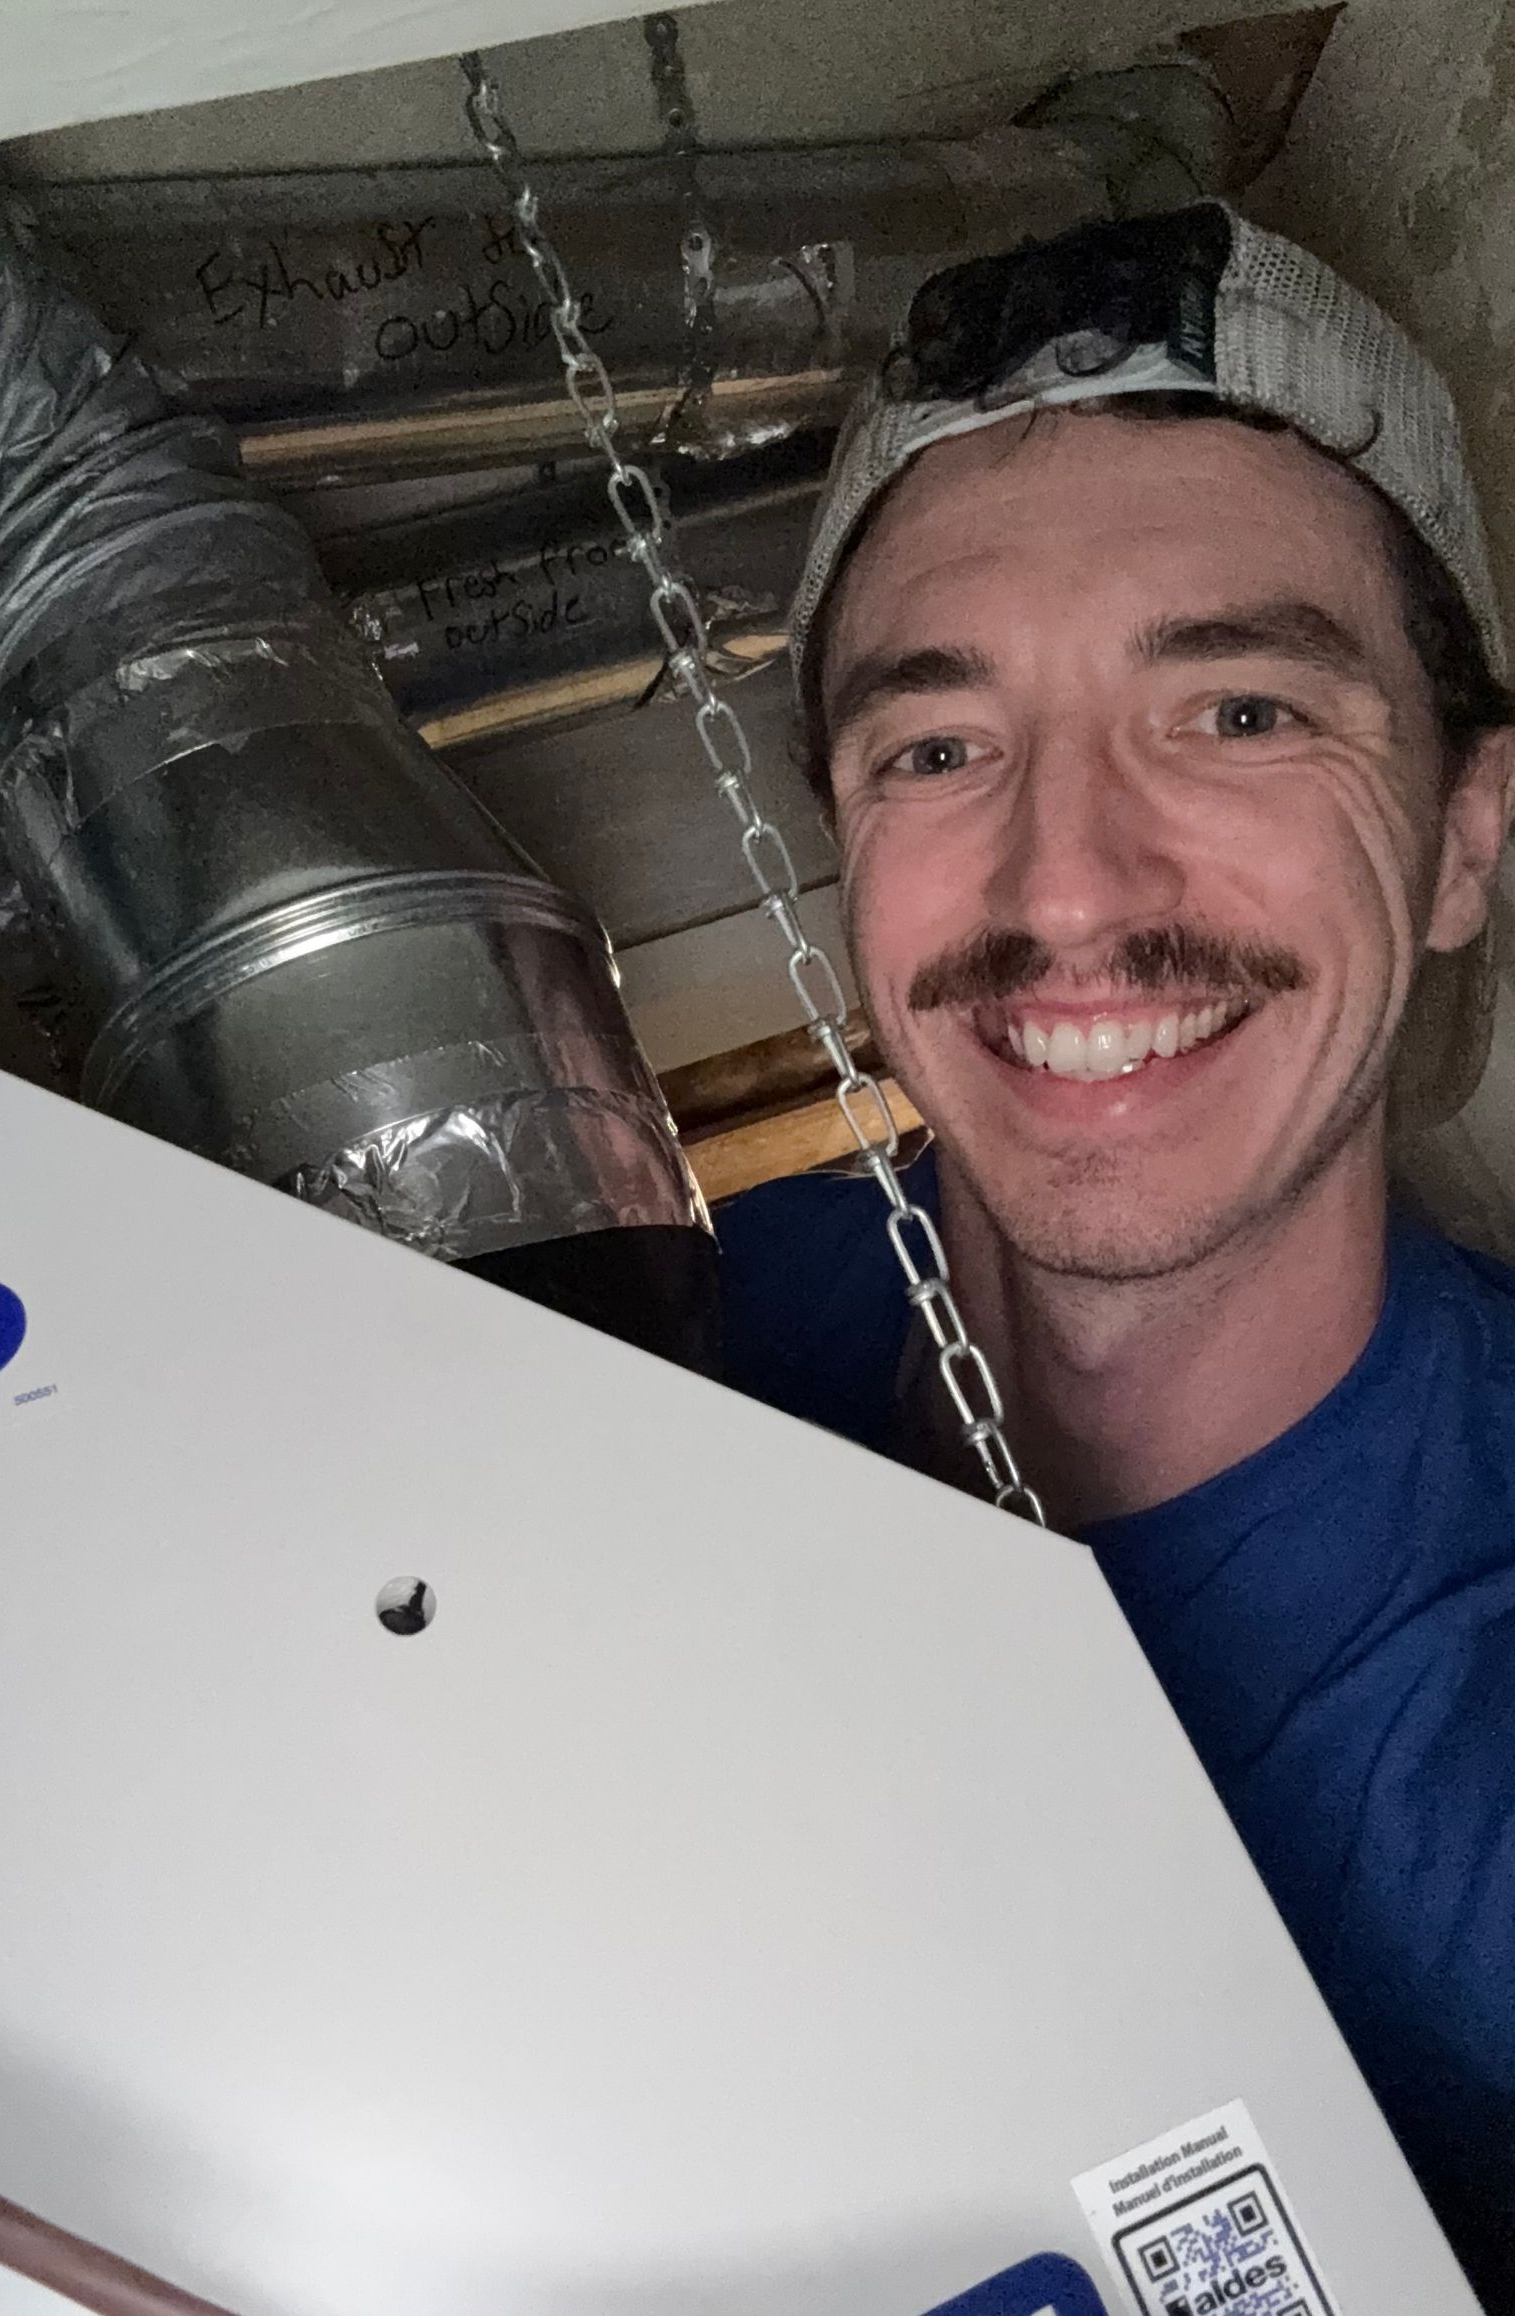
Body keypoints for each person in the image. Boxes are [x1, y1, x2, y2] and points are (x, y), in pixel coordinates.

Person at [715, 202, 1515, 2304]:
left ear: (1457, 842)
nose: (1065, 884)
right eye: (936, 747)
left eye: (1237, 712)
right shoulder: (669, 1331)